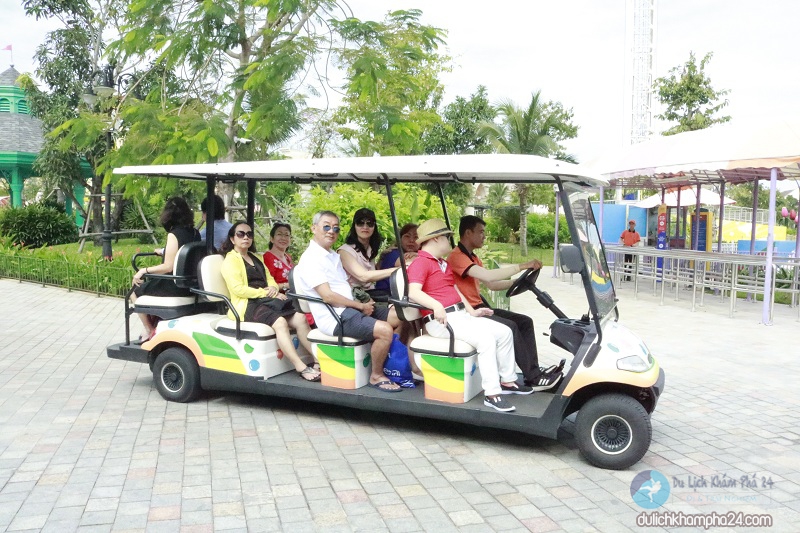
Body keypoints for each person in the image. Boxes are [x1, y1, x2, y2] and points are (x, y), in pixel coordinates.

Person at [406, 218, 532, 413]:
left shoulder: (443, 264)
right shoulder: (421, 263)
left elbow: (455, 289)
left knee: (504, 331)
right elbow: (413, 292)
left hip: (460, 315)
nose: (451, 241)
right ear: (437, 239)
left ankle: (507, 381)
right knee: (486, 340)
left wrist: (473, 311)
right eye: (448, 237)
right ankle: (492, 393)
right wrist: (436, 306)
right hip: (440, 321)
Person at [447, 216, 562, 390]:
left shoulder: (472, 257)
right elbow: (488, 276)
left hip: (480, 307)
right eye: (481, 232)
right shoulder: (457, 257)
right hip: (468, 313)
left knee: (524, 322)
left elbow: (492, 285)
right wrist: (522, 266)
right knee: (510, 326)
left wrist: (518, 282)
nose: (484, 236)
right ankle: (532, 377)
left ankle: (534, 373)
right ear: (468, 232)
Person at [294, 210, 402, 393]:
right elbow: (328, 296)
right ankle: (376, 375)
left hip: (349, 309)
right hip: (334, 316)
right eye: (326, 226)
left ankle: (387, 361)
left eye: (335, 228)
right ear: (313, 228)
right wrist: (360, 306)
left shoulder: (332, 256)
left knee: (398, 315)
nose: (331, 231)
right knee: (384, 330)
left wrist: (363, 302)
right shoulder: (311, 259)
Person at [220, 221, 320, 382]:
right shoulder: (230, 261)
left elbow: (270, 279)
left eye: (249, 234)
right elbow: (238, 289)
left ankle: (319, 360)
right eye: (241, 234)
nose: (246, 237)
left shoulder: (256, 257)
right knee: (280, 322)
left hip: (265, 300)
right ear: (232, 239)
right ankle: (300, 366)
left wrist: (273, 289)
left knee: (300, 318)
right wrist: (265, 292)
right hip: (246, 304)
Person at [131, 197, 201, 343]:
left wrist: (144, 270)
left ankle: (149, 329)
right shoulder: (195, 233)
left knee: (134, 290)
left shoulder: (174, 234)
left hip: (174, 286)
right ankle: (156, 325)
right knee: (149, 285)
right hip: (190, 285)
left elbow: (168, 267)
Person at [338, 208, 398, 301]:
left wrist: (382, 257)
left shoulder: (370, 248)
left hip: (371, 294)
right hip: (355, 298)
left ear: (374, 227)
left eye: (369, 223)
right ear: (354, 226)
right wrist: (400, 269)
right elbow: (364, 276)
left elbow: (373, 272)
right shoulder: (345, 251)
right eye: (360, 223)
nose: (365, 227)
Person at [375, 223, 419, 293]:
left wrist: (417, 254)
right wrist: (419, 255)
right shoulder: (393, 253)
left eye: (416, 237)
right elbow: (412, 264)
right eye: (407, 236)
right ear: (400, 239)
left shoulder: (417, 254)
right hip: (385, 297)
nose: (411, 240)